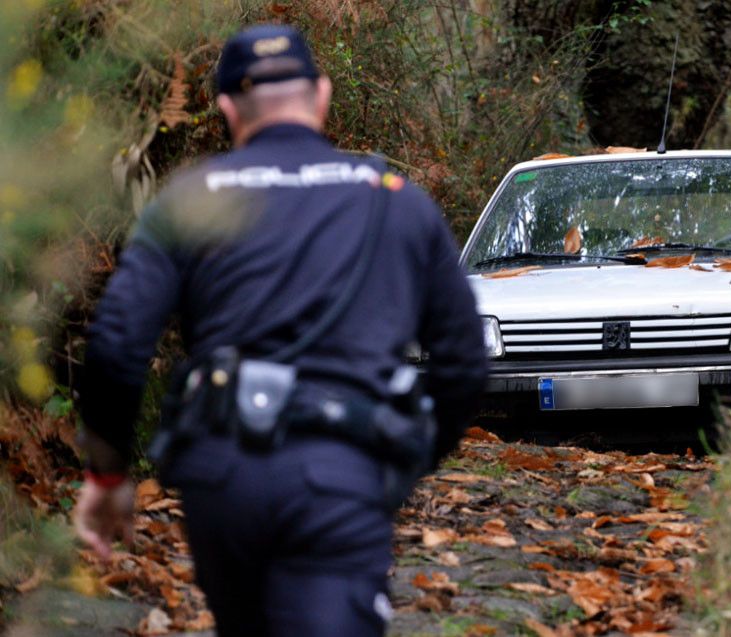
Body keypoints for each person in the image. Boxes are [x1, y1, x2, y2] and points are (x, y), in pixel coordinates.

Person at [72, 24, 488, 636]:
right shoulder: (395, 199)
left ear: (226, 109)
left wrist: (107, 476)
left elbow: (114, 345)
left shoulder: (192, 200)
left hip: (223, 477)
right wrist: (408, 461)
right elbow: (464, 361)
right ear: (321, 95)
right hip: (343, 472)